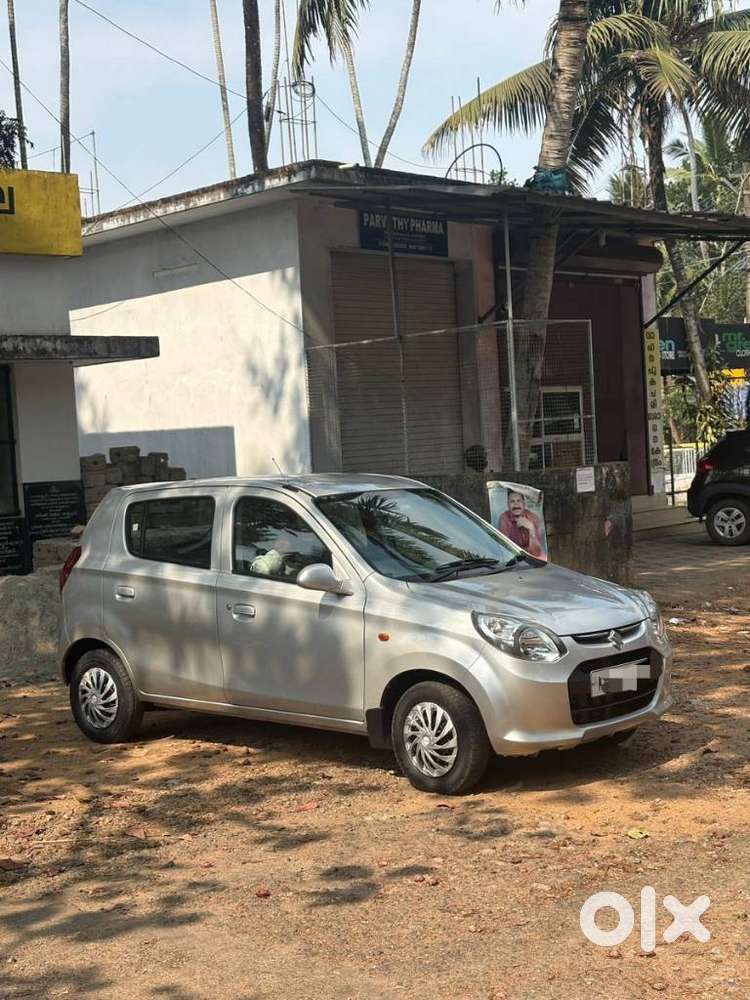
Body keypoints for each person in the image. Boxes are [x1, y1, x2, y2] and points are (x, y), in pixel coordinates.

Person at [498, 490, 546, 558]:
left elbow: (536, 552)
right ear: (508, 505)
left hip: (532, 558)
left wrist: (531, 529)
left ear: (524, 504)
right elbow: (504, 547)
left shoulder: (533, 518)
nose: (516, 505)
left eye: (519, 501)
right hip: (513, 557)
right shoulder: (504, 518)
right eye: (512, 501)